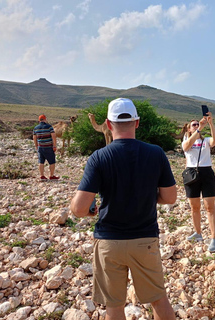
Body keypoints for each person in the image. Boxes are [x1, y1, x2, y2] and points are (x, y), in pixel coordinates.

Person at [70, 98, 177, 320]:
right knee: (158, 299)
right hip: (145, 240)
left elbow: (79, 208)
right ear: (137, 123)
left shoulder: (99, 157)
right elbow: (170, 197)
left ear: (108, 124)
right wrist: (148, 195)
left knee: (114, 307)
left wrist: (90, 210)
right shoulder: (156, 153)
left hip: (109, 242)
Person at [182, 112, 215, 252]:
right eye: (194, 125)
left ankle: (214, 238)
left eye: (198, 123)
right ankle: (198, 233)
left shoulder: (205, 141)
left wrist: (210, 123)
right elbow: (186, 147)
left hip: (206, 173)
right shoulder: (187, 140)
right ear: (189, 129)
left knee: (210, 207)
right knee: (194, 207)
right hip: (191, 173)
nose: (197, 125)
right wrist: (199, 130)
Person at [33, 114, 59, 181]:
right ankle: (51, 175)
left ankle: (42, 176)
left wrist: (36, 146)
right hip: (48, 147)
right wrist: (54, 145)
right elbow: (53, 136)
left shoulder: (36, 128)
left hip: (40, 147)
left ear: (39, 120)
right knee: (52, 162)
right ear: (45, 119)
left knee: (41, 161)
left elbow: (34, 138)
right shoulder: (49, 127)